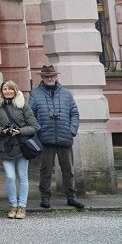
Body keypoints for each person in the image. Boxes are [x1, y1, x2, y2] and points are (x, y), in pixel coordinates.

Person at [29, 65, 85, 210]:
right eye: (47, 76)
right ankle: (45, 197)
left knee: (68, 169)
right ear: (42, 78)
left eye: (52, 76)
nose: (50, 78)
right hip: (45, 138)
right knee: (45, 170)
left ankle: (71, 197)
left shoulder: (66, 94)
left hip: (64, 136)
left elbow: (74, 114)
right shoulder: (35, 94)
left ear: (56, 77)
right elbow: (31, 115)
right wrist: (38, 131)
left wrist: (71, 130)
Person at [0, 80, 40, 219]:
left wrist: (20, 131)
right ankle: (13, 205)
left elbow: (35, 126)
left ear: (15, 90)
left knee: (23, 176)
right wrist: (2, 130)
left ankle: (22, 206)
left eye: (10, 89)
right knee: (10, 177)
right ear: (2, 91)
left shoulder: (23, 105)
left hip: (22, 146)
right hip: (5, 146)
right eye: (5, 89)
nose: (7, 91)